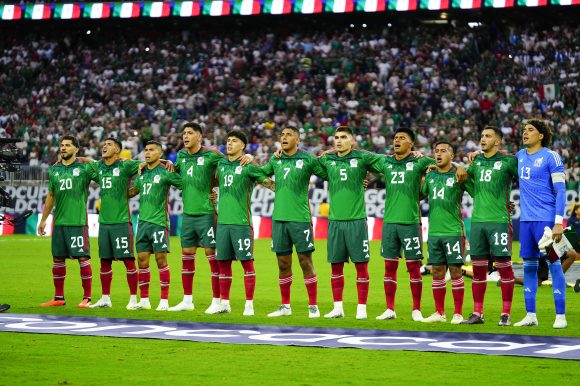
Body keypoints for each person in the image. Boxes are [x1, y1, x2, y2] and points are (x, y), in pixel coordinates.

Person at [374, 128, 466, 321]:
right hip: (390, 223)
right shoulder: (386, 161)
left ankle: (416, 309)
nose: (397, 140)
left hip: (411, 223)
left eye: (402, 138)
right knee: (389, 267)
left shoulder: (421, 161)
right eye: (395, 138)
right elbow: (363, 159)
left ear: (411, 144)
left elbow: (445, 163)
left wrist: (459, 166)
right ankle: (390, 308)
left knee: (413, 267)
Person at [169, 122, 251, 313]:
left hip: (207, 213)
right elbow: (179, 174)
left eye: (190, 133)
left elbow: (230, 163)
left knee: (212, 257)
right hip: (188, 214)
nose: (185, 136)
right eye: (184, 133)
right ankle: (187, 300)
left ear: (199, 136)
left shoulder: (211, 154)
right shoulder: (181, 156)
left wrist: (248, 157)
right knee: (187, 256)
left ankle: (217, 300)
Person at [262, 126, 328, 318]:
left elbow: (328, 173)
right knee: (283, 263)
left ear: (297, 139)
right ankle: (285, 306)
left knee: (305, 261)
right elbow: (261, 173)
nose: (284, 137)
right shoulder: (276, 159)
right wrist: (270, 184)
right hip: (279, 219)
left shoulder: (307, 159)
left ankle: (313, 307)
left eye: (289, 134)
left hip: (300, 219)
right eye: (282, 135)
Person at [318, 126, 383, 320]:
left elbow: (387, 162)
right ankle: (338, 307)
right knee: (335, 266)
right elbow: (313, 161)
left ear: (352, 140)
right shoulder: (328, 160)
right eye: (336, 137)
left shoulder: (362, 158)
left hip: (356, 221)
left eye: (344, 137)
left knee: (361, 266)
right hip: (335, 222)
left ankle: (361, 309)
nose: (339, 140)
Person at [212, 130, 274, 316]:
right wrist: (212, 194)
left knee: (247, 264)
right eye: (228, 140)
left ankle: (249, 305)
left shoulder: (249, 166)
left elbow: (269, 183)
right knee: (223, 264)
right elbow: (212, 180)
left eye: (234, 141)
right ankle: (224, 303)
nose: (229, 143)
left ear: (243, 146)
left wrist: (251, 158)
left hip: (241, 224)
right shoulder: (221, 164)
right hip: (222, 223)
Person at [514, 119, 568, 329]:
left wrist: (557, 223)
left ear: (541, 135)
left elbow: (561, 191)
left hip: (546, 220)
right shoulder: (519, 156)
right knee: (529, 267)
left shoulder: (550, 157)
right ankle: (530, 315)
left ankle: (561, 316)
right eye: (524, 130)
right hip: (526, 221)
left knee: (554, 264)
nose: (525, 133)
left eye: (530, 130)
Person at [462, 126, 518, 326]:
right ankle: (478, 313)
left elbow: (526, 179)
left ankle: (506, 314)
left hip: (499, 221)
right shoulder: (475, 162)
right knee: (478, 270)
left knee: (504, 268)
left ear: (498, 141)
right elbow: (463, 177)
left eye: (488, 136)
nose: (483, 139)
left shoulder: (508, 161)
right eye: (482, 135)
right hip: (477, 222)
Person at [38, 135, 96, 308]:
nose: (63, 148)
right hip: (60, 223)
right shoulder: (54, 170)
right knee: (57, 259)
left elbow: (103, 170)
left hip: (77, 222)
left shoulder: (84, 168)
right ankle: (58, 298)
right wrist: (43, 220)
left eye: (68, 145)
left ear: (76, 149)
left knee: (82, 258)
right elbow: (51, 196)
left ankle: (87, 298)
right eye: (62, 145)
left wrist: (89, 160)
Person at [87, 138, 141, 310]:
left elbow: (148, 164)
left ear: (117, 150)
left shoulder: (125, 165)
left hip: (121, 222)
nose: (104, 146)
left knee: (128, 260)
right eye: (104, 144)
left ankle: (133, 299)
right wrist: (79, 159)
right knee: (104, 262)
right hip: (104, 223)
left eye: (109, 144)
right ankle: (105, 298)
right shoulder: (100, 167)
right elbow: (87, 162)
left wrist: (166, 161)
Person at [128, 141, 182, 311]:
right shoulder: (141, 173)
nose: (147, 153)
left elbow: (185, 185)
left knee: (161, 260)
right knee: (142, 260)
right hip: (143, 223)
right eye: (146, 150)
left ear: (160, 153)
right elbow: (132, 192)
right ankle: (144, 300)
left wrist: (169, 163)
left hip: (159, 223)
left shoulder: (166, 172)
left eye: (152, 150)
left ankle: (164, 300)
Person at [420, 142, 466, 324]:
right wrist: (423, 176)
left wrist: (461, 166)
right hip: (434, 232)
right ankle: (439, 312)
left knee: (455, 271)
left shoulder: (459, 175)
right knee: (437, 272)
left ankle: (458, 313)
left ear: (452, 155)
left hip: (453, 230)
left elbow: (477, 190)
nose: (438, 154)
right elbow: (420, 194)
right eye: (436, 151)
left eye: (443, 151)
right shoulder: (430, 176)